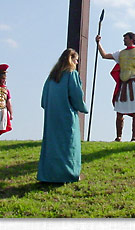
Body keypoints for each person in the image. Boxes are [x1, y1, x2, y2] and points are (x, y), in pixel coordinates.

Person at [37, 48, 89, 183]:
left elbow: (44, 100)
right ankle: (69, 174)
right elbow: (76, 96)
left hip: (52, 117)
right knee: (68, 146)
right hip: (67, 116)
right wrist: (83, 107)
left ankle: (49, 175)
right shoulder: (72, 74)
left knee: (52, 145)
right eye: (76, 60)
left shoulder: (51, 77)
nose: (77, 63)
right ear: (71, 60)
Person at [96, 32, 135, 142]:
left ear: (131, 39)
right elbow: (104, 56)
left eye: (125, 38)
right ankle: (118, 136)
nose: (124, 40)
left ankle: (134, 137)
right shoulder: (121, 53)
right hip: (123, 86)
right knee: (119, 112)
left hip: (134, 84)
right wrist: (98, 43)